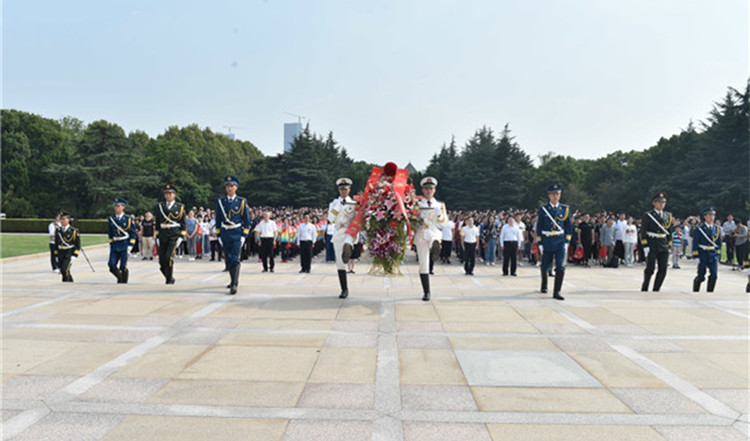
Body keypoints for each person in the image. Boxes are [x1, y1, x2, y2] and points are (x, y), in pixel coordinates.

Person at [215, 175, 251, 295]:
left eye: (232, 186)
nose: (229, 188)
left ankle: (234, 284)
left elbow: (246, 221)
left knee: (235, 258)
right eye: (227, 186)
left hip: (236, 234)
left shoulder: (242, 201)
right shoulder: (221, 202)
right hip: (225, 233)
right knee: (229, 258)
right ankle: (232, 280)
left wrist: (243, 236)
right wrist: (219, 235)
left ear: (236, 187)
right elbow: (218, 220)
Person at [536, 183, 572, 300]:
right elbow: (539, 227)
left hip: (560, 241)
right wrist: (540, 243)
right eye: (553, 194)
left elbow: (568, 227)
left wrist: (567, 242)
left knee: (560, 266)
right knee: (545, 265)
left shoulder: (565, 209)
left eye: (557, 194)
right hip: (547, 240)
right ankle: (544, 284)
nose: (555, 196)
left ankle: (557, 291)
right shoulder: (543, 209)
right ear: (549, 196)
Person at [415, 177, 447, 301]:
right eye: (426, 188)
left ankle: (435, 248)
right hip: (422, 232)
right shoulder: (417, 205)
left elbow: (444, 222)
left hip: (434, 231)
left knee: (435, 239)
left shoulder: (440, 205)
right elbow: (412, 222)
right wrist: (416, 218)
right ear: (423, 190)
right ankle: (426, 292)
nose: (429, 191)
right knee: (423, 264)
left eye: (431, 188)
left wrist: (439, 215)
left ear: (434, 190)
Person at [328, 178, 358, 299]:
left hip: (349, 231)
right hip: (338, 231)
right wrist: (337, 207)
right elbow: (331, 219)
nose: (343, 191)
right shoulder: (334, 203)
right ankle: (344, 289)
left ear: (349, 190)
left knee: (347, 245)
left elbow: (357, 219)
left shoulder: (354, 203)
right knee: (340, 263)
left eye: (345, 189)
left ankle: (349, 248)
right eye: (341, 189)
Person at [154, 183, 187, 284]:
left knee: (168, 257)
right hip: (163, 234)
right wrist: (158, 236)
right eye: (166, 193)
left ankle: (169, 280)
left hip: (174, 234)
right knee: (161, 260)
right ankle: (170, 277)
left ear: (174, 195)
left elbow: (182, 223)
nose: (168, 195)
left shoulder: (180, 207)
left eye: (170, 193)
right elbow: (158, 222)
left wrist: (181, 236)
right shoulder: (160, 206)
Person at [641, 192, 673, 292]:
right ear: (654, 203)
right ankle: (645, 286)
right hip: (652, 242)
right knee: (650, 268)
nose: (661, 204)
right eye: (659, 202)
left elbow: (669, 232)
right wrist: (645, 245)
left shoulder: (668, 216)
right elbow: (643, 231)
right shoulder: (649, 215)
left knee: (663, 268)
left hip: (663, 243)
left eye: (663, 202)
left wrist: (669, 244)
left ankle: (656, 288)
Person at [107, 197, 137, 283]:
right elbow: (110, 233)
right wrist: (111, 243)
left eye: (118, 206)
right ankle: (120, 278)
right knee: (111, 264)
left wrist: (130, 246)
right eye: (115, 206)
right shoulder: (111, 219)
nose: (116, 208)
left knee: (123, 266)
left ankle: (124, 283)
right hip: (115, 244)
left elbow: (133, 233)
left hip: (124, 243)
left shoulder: (129, 219)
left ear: (123, 207)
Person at [692, 207, 722, 292]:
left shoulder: (717, 229)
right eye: (710, 215)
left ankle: (710, 292)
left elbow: (719, 243)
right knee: (701, 275)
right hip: (703, 253)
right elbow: (695, 242)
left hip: (713, 254)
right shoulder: (700, 229)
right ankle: (696, 290)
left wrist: (718, 255)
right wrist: (696, 255)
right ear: (705, 216)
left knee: (714, 275)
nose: (712, 217)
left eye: (713, 215)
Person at [54, 210, 80, 282]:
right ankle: (70, 282)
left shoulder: (74, 231)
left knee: (64, 269)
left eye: (64, 219)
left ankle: (65, 284)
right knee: (63, 270)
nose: (62, 221)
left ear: (68, 219)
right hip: (60, 252)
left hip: (69, 252)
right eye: (61, 219)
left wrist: (74, 255)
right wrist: (56, 255)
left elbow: (77, 245)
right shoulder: (58, 230)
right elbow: (56, 243)